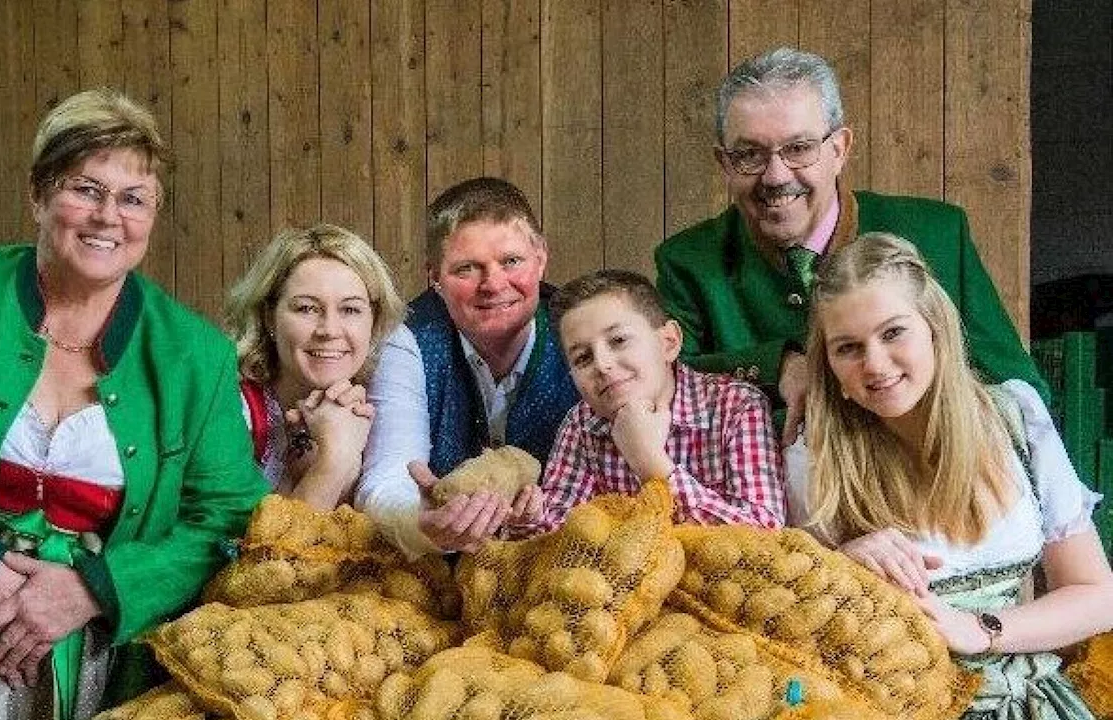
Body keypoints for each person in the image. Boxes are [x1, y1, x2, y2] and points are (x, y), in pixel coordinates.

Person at [0, 89, 264, 718]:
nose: (108, 216)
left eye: (133, 199)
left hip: (94, 659)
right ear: (38, 195)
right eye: (85, 189)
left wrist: (93, 590)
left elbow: (225, 518)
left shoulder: (195, 354)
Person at [653, 46, 1047, 448]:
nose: (774, 176)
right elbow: (660, 385)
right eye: (749, 155)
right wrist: (777, 365)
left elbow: (1020, 394)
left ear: (839, 149)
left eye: (799, 148)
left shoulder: (938, 234)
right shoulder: (687, 261)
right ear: (725, 163)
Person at [802, 232, 1113, 718]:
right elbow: (797, 634)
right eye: (848, 348)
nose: (875, 364)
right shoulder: (814, 460)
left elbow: (1097, 595)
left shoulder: (1015, 418)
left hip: (1030, 699)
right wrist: (841, 565)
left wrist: (981, 629)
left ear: (935, 329)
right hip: (898, 704)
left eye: (892, 333)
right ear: (830, 367)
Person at [356, 177, 580, 558]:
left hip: (559, 564)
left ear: (541, 258)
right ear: (435, 278)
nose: (493, 284)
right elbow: (386, 476)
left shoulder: (579, 333)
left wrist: (552, 511)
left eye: (511, 261)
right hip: (434, 571)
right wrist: (419, 522)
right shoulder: (406, 340)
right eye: (466, 269)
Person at [508, 269, 786, 537]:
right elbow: (560, 529)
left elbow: (765, 534)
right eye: (583, 358)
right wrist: (530, 519)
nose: (602, 364)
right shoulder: (581, 424)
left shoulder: (736, 406)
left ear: (669, 342)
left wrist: (650, 463)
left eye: (618, 340)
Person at [223, 224, 405, 509]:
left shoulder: (385, 405)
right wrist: (333, 463)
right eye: (307, 308)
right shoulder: (229, 412)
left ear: (374, 320)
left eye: (350, 309)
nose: (329, 330)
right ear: (269, 317)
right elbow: (269, 553)